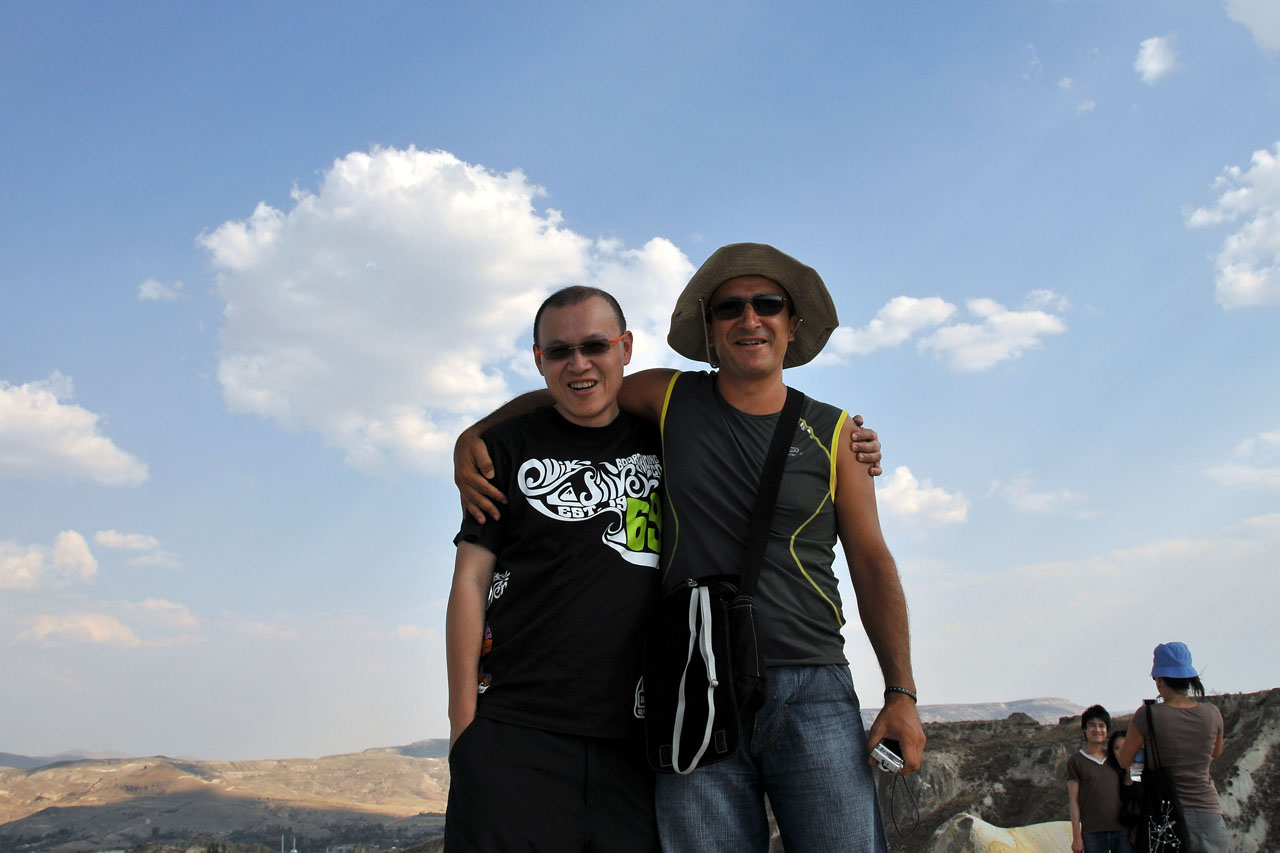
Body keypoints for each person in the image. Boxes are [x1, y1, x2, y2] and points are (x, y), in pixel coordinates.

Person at [456, 242, 920, 852]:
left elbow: (872, 562)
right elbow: (580, 387)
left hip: (812, 686)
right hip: (694, 684)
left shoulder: (835, 434)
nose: (749, 319)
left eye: (767, 304)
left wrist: (901, 692)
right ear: (710, 329)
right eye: (729, 308)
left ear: (792, 324)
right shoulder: (670, 398)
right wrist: (475, 436)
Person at [444, 286, 665, 851]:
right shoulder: (503, 448)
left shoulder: (670, 442)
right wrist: (464, 723)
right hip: (515, 733)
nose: (579, 363)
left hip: (640, 744)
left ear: (626, 348)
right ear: (540, 361)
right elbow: (470, 579)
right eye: (560, 351)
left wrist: (850, 445)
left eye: (595, 346)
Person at [1118, 642, 1229, 853]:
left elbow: (1124, 760)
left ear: (1159, 680)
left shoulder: (1147, 715)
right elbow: (1216, 752)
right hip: (1209, 814)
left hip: (1167, 815)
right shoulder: (1213, 713)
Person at [1067, 705, 1132, 853]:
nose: (1097, 729)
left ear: (1107, 729)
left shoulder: (1115, 757)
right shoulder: (1076, 761)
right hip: (1092, 833)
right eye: (1092, 725)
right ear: (1084, 729)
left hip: (1122, 831)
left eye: (1102, 726)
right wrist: (1076, 837)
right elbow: (1073, 800)